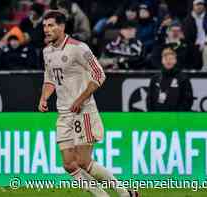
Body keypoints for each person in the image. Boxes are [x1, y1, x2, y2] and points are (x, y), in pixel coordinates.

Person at [39, 10, 138, 197]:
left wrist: (80, 99)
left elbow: (100, 74)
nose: (46, 29)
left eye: (51, 25)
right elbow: (50, 79)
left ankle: (124, 193)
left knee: (84, 162)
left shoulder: (79, 48)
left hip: (83, 111)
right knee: (69, 164)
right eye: (45, 26)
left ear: (62, 27)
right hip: (64, 113)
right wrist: (44, 97)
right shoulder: (47, 52)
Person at [147, 47, 194, 111]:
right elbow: (149, 100)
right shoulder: (155, 78)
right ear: (162, 61)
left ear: (175, 60)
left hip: (176, 118)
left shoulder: (183, 78)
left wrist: (176, 116)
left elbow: (188, 101)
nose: (168, 61)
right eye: (166, 59)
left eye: (171, 58)